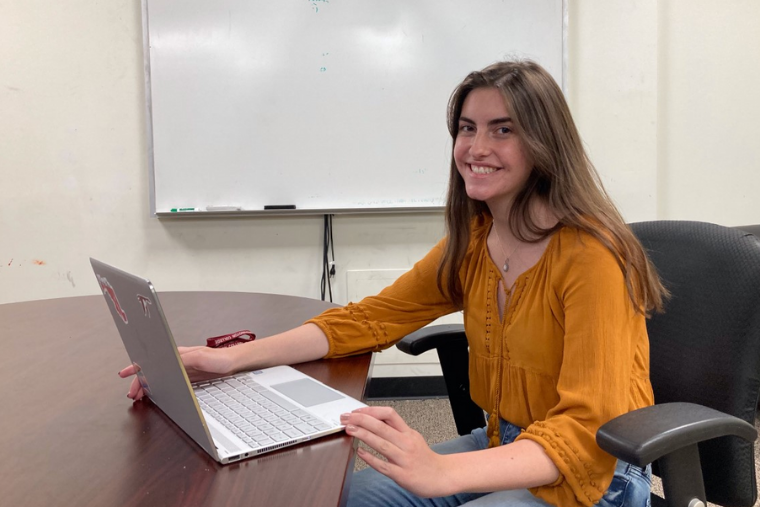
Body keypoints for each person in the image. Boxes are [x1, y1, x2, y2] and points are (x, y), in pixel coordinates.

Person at [120, 60, 668, 507]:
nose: (476, 147)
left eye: (504, 130)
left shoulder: (592, 256)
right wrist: (234, 360)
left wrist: (440, 474)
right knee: (342, 498)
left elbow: (586, 431)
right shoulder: (477, 239)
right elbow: (371, 318)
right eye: (467, 128)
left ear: (545, 144)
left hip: (595, 476)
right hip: (505, 441)